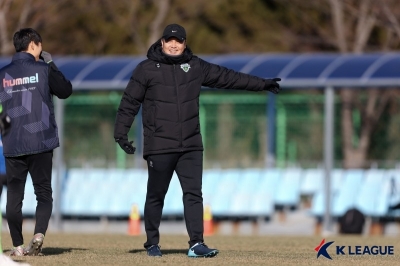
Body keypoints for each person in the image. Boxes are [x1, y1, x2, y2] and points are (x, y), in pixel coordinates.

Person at [114, 23, 281, 258]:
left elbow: (228, 78)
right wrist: (121, 133)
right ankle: (152, 243)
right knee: (156, 195)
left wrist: (261, 84)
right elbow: (129, 102)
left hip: (191, 144)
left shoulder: (195, 66)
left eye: (179, 41)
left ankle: (196, 244)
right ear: (161, 42)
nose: (174, 44)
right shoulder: (146, 69)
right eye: (169, 40)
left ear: (184, 43)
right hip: (160, 145)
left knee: (194, 194)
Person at [0, 28, 72, 257]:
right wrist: (51, 64)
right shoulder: (44, 69)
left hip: (12, 143)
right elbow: (65, 90)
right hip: (41, 140)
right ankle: (39, 234)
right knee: (43, 193)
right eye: (40, 46)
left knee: (14, 195)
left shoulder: (3, 75)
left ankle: (18, 246)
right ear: (34, 44)